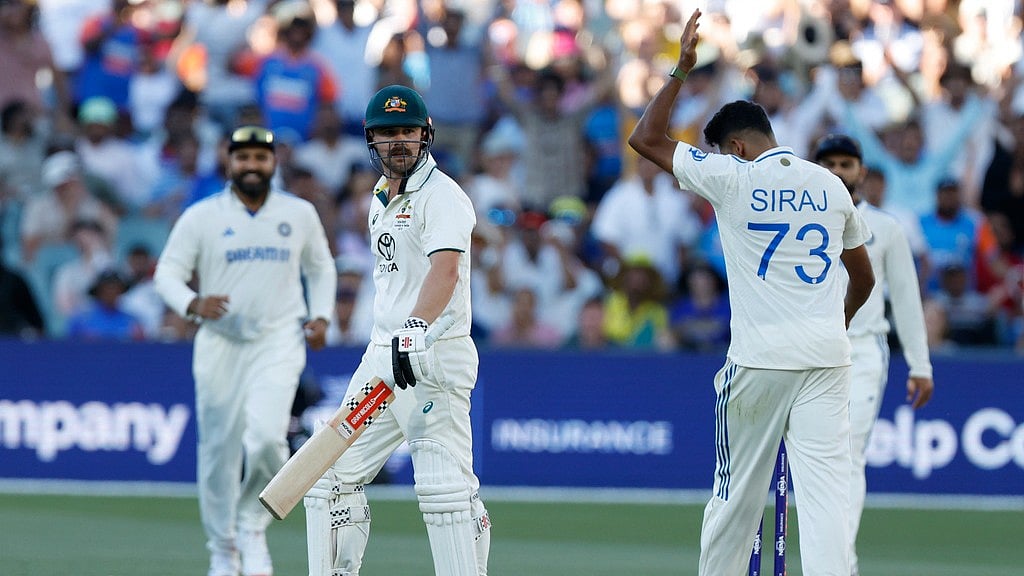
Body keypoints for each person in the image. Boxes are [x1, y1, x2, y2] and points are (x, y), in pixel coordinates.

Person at [627, 10, 875, 576]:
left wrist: (682, 70)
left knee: (736, 497)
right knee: (828, 502)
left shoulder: (732, 177)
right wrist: (833, 324)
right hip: (827, 357)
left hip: (761, 360)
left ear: (736, 147)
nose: (712, 160)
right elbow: (862, 277)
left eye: (716, 150)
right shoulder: (829, 183)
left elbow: (645, 139)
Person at [303, 85, 490, 576]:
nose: (398, 142)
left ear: (425, 135)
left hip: (432, 356)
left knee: (444, 492)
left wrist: (414, 329)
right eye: (387, 134)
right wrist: (393, 339)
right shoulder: (379, 198)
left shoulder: (443, 196)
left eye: (407, 131)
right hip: (383, 361)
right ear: (371, 140)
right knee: (329, 476)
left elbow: (445, 272)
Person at [153, 125, 336, 576]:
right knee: (218, 450)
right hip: (219, 343)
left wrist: (323, 316)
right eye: (243, 158)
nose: (252, 166)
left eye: (260, 158)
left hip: (278, 340)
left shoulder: (299, 213)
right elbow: (167, 273)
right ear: (228, 161)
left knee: (265, 439)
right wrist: (192, 303)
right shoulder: (202, 216)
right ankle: (223, 548)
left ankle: (252, 526)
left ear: (274, 163)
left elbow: (321, 266)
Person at [813, 133, 935, 576]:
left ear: (862, 172)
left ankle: (839, 564)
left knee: (847, 454)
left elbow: (905, 299)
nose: (838, 172)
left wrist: (920, 365)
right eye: (828, 164)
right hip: (810, 355)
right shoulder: (802, 223)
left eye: (846, 164)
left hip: (863, 353)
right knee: (816, 462)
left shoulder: (886, 227)